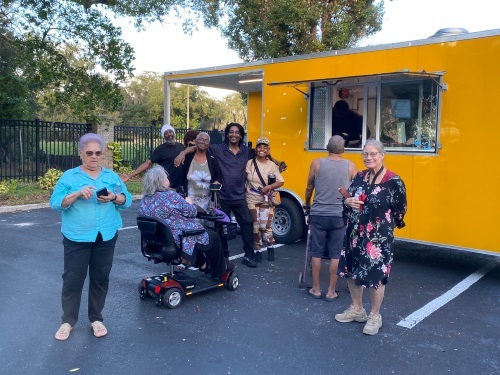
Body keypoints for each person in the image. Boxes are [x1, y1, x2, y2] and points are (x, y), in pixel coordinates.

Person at [50, 133, 132, 341]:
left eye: (98, 153)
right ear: (80, 154)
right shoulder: (69, 177)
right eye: (89, 153)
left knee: (100, 278)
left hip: (105, 235)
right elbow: (56, 202)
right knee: (72, 279)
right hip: (77, 237)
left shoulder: (111, 177)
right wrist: (77, 194)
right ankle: (68, 321)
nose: (94, 157)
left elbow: (127, 200)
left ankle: (96, 318)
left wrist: (113, 197)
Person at [335, 139, 407, 335]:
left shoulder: (394, 181)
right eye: (365, 154)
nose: (369, 158)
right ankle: (357, 309)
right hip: (354, 234)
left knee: (376, 277)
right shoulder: (359, 177)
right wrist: (348, 201)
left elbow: (401, 210)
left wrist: (384, 225)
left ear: (382, 155)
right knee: (351, 271)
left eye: (373, 154)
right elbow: (348, 199)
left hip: (378, 240)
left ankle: (375, 316)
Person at [175, 123, 258, 268]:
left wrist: (277, 162)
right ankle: (224, 256)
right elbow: (200, 145)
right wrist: (183, 152)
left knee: (247, 224)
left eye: (237, 132)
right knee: (221, 228)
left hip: (239, 196)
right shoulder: (218, 149)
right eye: (231, 132)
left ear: (241, 135)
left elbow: (263, 154)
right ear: (227, 134)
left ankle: (249, 255)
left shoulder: (246, 151)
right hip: (222, 197)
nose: (233, 134)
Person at [138, 165, 234, 278]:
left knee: (194, 236)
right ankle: (219, 270)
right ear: (162, 181)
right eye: (166, 178)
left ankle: (202, 264)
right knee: (212, 236)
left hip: (154, 242)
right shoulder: (171, 196)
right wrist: (188, 202)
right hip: (176, 239)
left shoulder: (144, 200)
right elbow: (192, 212)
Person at [303, 135, 357, 301]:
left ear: (327, 148)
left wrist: (307, 203)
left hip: (318, 213)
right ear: (343, 150)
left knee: (316, 251)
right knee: (335, 253)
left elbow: (309, 186)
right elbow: (357, 189)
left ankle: (316, 289)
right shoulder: (351, 166)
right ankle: (331, 291)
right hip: (339, 215)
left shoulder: (317, 163)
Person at [245, 137, 284, 262]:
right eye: (259, 147)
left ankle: (270, 247)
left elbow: (281, 181)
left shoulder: (271, 165)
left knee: (265, 226)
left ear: (268, 150)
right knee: (255, 226)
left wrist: (269, 187)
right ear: (256, 149)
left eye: (265, 147)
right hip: (251, 198)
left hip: (266, 199)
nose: (262, 149)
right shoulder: (250, 163)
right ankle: (257, 250)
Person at [121, 124, 184, 188]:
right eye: (166, 133)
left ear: (173, 132)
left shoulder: (181, 146)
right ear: (164, 136)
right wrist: (129, 176)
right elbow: (147, 163)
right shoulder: (160, 149)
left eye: (170, 131)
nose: (169, 134)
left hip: (182, 185)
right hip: (168, 186)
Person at [181, 132, 221, 211]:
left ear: (209, 144)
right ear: (196, 141)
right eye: (201, 139)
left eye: (206, 141)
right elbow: (181, 178)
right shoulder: (187, 158)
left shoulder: (212, 159)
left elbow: (218, 176)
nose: (203, 142)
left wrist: (216, 182)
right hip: (189, 201)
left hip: (207, 203)